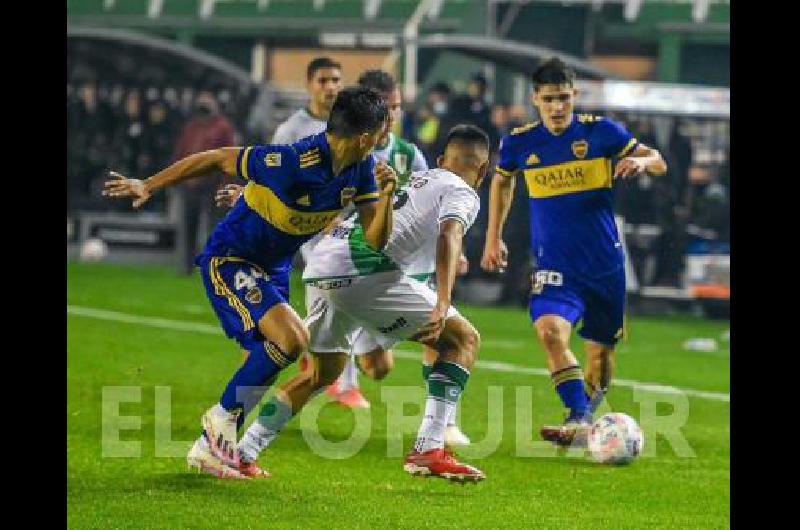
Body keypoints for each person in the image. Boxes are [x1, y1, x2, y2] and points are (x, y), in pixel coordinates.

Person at [103, 86, 397, 478]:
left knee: (276, 354)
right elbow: (215, 159)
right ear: (365, 136)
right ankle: (217, 428)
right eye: (381, 130)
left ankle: (212, 449)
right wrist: (149, 185)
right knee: (291, 342)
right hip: (231, 259)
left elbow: (375, 241)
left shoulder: (362, 170)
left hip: (272, 269)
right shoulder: (293, 161)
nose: (385, 136)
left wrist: (388, 199)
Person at [235, 124, 491, 482]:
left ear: (440, 160)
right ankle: (429, 448)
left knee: (320, 374)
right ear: (483, 169)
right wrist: (444, 299)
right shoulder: (464, 191)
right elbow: (451, 233)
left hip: (324, 263)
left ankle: (243, 451)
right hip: (364, 270)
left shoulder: (417, 178)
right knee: (463, 339)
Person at [480, 58, 667, 446]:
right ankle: (579, 416)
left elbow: (659, 161)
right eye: (549, 99)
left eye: (564, 98)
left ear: (574, 96)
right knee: (550, 331)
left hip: (604, 265)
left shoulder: (601, 132)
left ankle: (585, 415)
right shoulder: (519, 142)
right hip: (554, 263)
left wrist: (641, 161)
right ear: (536, 99)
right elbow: (502, 183)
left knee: (600, 356)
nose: (557, 107)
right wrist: (492, 237)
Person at [172, 91, 237, 274]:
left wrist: (225, 183)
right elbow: (181, 151)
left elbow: (230, 156)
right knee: (189, 226)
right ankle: (186, 267)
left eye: (207, 101)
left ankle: (212, 266)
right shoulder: (191, 127)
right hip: (191, 183)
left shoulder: (223, 127)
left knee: (213, 227)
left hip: (213, 184)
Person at [271, 57, 342, 144]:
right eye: (322, 81)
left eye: (335, 80)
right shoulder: (290, 130)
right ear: (308, 85)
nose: (331, 87)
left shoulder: (352, 127)